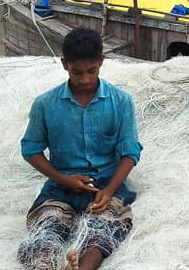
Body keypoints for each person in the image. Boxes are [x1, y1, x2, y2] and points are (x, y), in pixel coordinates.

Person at [18, 28, 142, 270]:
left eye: (91, 71)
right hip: (59, 190)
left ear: (101, 62)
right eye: (77, 72)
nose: (85, 80)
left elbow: (130, 153)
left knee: (100, 235)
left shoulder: (121, 101)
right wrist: (63, 179)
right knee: (45, 235)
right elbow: (30, 149)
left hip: (105, 188)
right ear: (64, 65)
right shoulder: (45, 104)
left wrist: (108, 191)